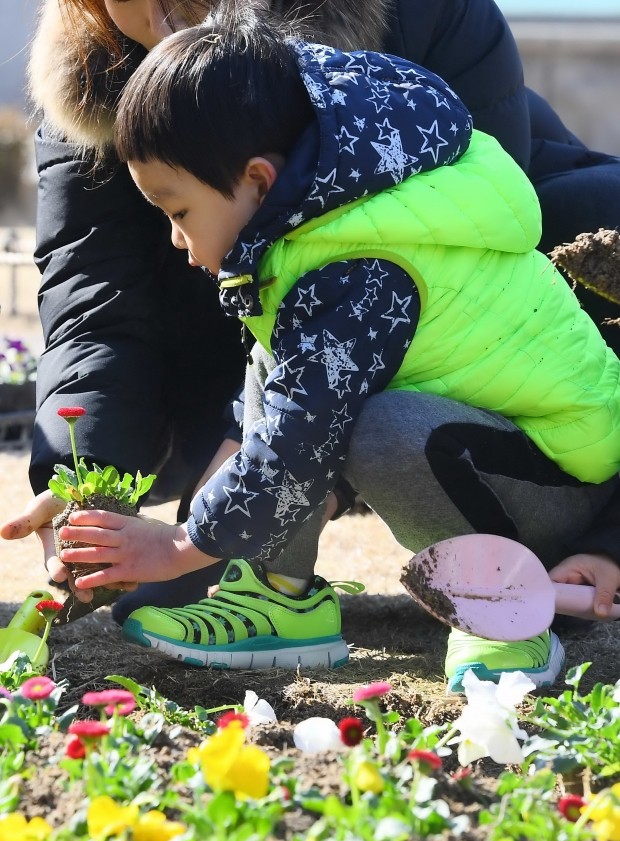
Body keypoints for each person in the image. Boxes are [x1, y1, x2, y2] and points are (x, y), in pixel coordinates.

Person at [39, 8, 620, 696]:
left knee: (377, 432)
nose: (173, 237)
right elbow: (275, 388)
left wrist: (179, 546)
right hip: (483, 442)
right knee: (288, 378)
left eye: (180, 211)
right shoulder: (305, 220)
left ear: (257, 180)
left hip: (563, 471)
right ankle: (279, 596)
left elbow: (300, 438)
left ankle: (502, 614)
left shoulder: (356, 262)